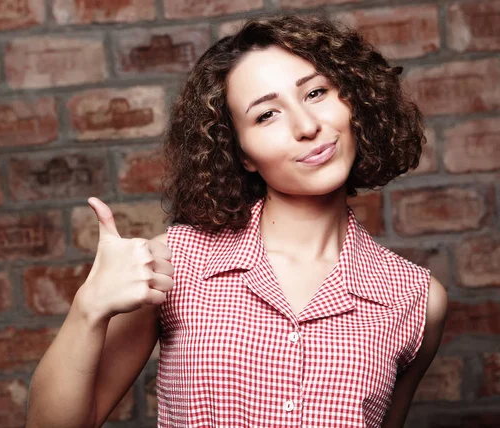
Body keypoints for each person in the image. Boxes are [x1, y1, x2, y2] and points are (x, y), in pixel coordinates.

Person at [25, 12, 448, 428]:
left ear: (352, 98)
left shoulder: (415, 299)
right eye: (266, 114)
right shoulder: (175, 261)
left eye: (316, 93)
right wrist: (89, 308)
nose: (306, 126)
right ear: (242, 152)